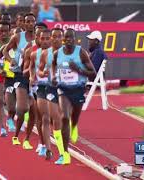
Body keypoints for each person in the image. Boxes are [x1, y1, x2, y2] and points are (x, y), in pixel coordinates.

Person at [51, 28, 96, 165]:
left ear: (75, 39)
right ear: (63, 39)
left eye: (71, 37)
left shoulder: (81, 53)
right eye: (66, 38)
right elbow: (53, 65)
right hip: (63, 88)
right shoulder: (57, 53)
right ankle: (65, 153)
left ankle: (75, 126)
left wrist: (78, 69)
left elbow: (93, 73)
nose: (68, 40)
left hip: (78, 88)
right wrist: (53, 76)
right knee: (64, 116)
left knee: (74, 116)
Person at [2, 13, 36, 145]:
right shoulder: (17, 37)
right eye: (27, 21)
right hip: (18, 74)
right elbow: (5, 51)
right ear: (24, 23)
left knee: (34, 110)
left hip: (33, 76)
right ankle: (15, 126)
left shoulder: (38, 38)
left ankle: (29, 137)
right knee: (20, 108)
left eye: (32, 21)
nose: (29, 24)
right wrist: (11, 60)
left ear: (34, 23)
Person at [38, 27, 65, 163]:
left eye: (59, 36)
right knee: (50, 118)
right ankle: (52, 150)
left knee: (60, 119)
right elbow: (40, 70)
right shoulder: (45, 54)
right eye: (54, 36)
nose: (56, 39)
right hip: (50, 89)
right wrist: (44, 74)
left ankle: (62, 149)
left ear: (63, 38)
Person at [24, 23, 48, 152]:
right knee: (40, 117)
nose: (41, 38)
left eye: (44, 36)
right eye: (38, 36)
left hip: (52, 86)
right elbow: (26, 70)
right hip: (37, 88)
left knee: (51, 117)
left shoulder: (54, 51)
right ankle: (42, 143)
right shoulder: (31, 51)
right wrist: (32, 76)